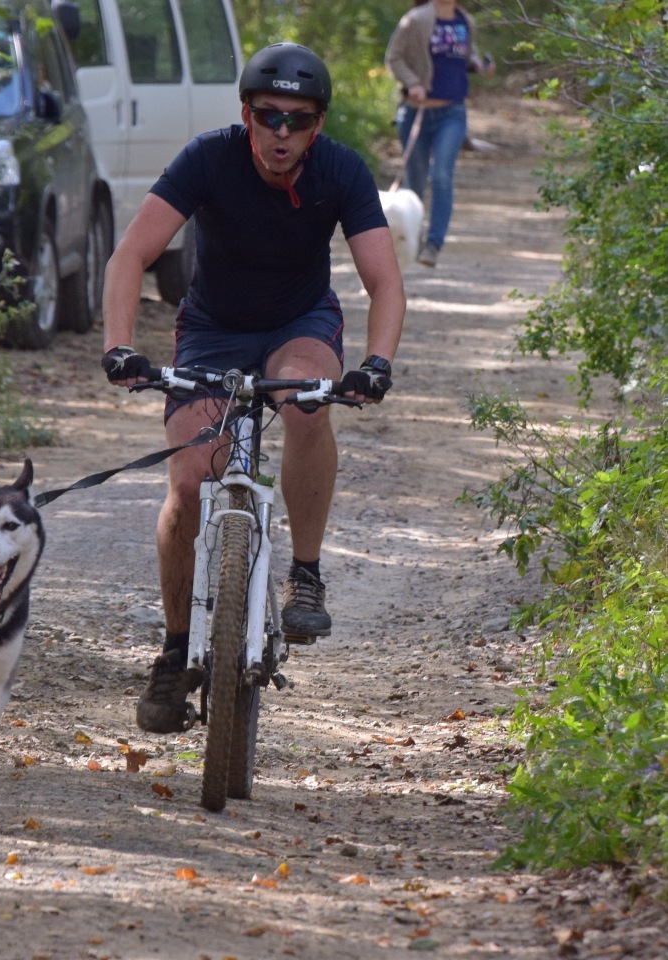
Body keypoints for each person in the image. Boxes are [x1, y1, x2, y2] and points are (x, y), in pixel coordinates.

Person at [100, 42, 406, 734]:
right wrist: (118, 345)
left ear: (317, 126)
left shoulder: (341, 171)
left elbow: (384, 282)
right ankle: (176, 652)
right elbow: (131, 254)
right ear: (245, 115)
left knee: (304, 401)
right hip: (212, 328)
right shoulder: (207, 158)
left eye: (297, 120)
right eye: (267, 116)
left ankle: (304, 571)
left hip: (299, 323)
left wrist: (376, 362)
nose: (280, 132)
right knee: (185, 483)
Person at [385, 0, 495, 267]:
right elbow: (393, 58)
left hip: (452, 112)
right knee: (415, 181)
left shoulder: (465, 22)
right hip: (416, 112)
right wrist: (412, 83)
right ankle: (414, 239)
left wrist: (479, 66)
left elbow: (465, 56)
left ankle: (433, 245)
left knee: (442, 175)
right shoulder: (415, 20)